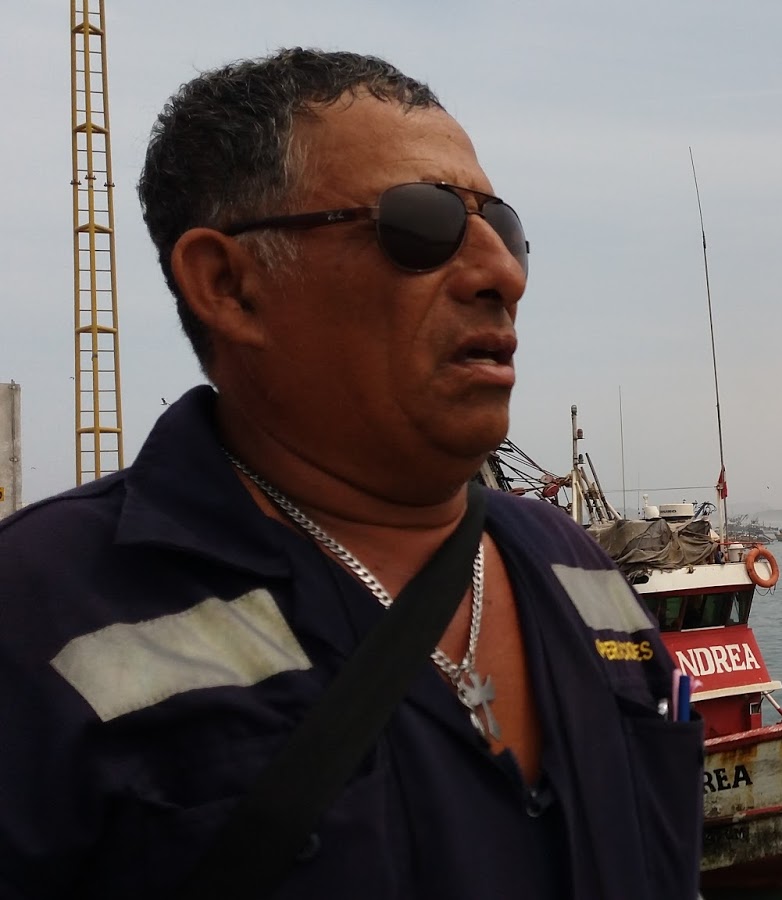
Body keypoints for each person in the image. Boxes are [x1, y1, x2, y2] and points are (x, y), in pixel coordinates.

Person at [0, 49, 700, 898]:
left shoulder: (573, 563)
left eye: (505, 229)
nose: (503, 274)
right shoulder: (40, 612)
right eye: (423, 224)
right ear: (229, 284)